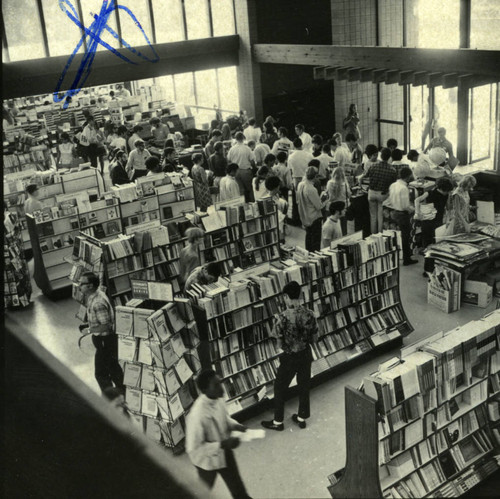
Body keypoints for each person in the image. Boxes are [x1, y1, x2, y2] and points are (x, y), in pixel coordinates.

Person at [261, 280, 319, 431]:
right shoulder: (310, 314)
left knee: (279, 387)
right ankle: (301, 417)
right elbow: (315, 338)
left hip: (290, 357)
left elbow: (279, 344)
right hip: (306, 354)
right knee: (304, 386)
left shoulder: (282, 318)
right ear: (299, 295)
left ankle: (278, 422)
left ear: (286, 296)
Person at [186, 369, 251, 499]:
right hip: (207, 461)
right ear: (205, 391)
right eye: (216, 385)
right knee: (202, 493)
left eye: (220, 382)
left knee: (238, 490)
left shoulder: (218, 398)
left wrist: (235, 425)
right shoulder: (197, 415)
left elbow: (224, 418)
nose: (221, 387)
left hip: (225, 452)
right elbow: (193, 448)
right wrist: (222, 444)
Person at [79, 271, 124, 392]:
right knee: (114, 369)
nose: (79, 285)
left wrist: (89, 330)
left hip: (105, 341)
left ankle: (111, 398)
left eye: (81, 283)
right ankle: (122, 393)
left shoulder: (97, 302)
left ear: (90, 286)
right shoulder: (95, 295)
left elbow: (106, 326)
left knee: (101, 374)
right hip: (106, 341)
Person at [384, 166, 417, 266]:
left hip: (393, 212)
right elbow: (405, 206)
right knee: (405, 237)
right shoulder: (404, 188)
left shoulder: (393, 185)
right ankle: (407, 258)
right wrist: (414, 210)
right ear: (407, 177)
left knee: (395, 235)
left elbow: (390, 199)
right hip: (402, 215)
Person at [361, 147, 397, 234]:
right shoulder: (392, 170)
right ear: (389, 157)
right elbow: (393, 185)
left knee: (373, 216)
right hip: (383, 195)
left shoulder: (373, 166)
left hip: (372, 193)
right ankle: (380, 236)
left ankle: (373, 235)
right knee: (381, 216)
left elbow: (365, 176)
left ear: (381, 155)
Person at [4, 201, 32, 309]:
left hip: (11, 251)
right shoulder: (10, 216)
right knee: (17, 274)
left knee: (16, 275)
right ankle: (20, 300)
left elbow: (12, 233)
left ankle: (20, 301)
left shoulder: (8, 218)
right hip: (15, 250)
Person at [297, 166, 328, 252]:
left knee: (308, 239)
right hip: (314, 218)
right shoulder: (311, 189)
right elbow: (319, 206)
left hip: (305, 216)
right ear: (315, 177)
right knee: (315, 243)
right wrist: (326, 200)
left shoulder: (300, 185)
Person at [416, 177, 454, 249]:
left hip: (438, 221)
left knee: (437, 243)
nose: (448, 193)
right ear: (442, 188)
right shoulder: (430, 193)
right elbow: (417, 200)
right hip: (427, 221)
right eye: (447, 191)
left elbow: (448, 208)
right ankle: (427, 258)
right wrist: (418, 213)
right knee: (427, 244)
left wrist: (448, 219)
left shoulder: (447, 195)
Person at [227, 132, 255, 202]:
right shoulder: (247, 148)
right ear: (243, 138)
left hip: (235, 171)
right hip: (245, 171)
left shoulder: (232, 149)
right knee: (249, 190)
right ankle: (252, 205)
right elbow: (252, 161)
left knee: (240, 191)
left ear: (235, 139)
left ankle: (243, 206)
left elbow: (229, 160)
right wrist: (254, 168)